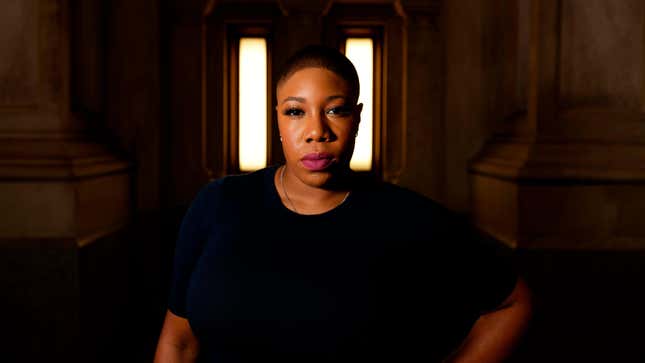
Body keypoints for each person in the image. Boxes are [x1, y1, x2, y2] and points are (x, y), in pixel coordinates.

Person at [154, 45, 532, 363]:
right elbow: (179, 340)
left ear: (358, 119)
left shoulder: (407, 218)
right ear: (278, 122)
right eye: (296, 111)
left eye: (335, 109)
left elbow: (513, 304)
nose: (316, 131)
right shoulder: (218, 204)